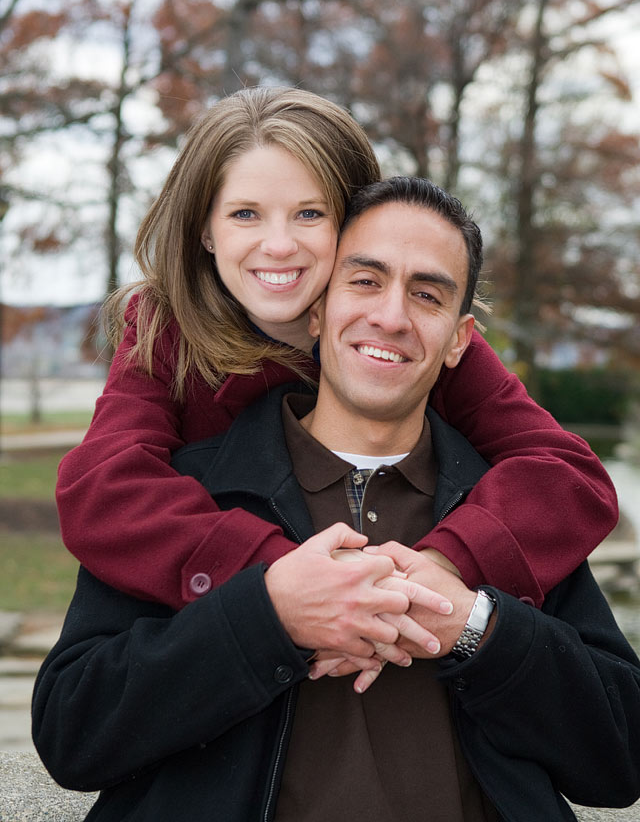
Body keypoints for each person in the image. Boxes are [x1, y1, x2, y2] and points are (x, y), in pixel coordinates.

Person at [32, 178, 640, 821]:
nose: (392, 316)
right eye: (366, 281)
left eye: (427, 295)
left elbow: (621, 757)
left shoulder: (509, 503)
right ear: (316, 311)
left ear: (461, 339)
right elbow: (74, 734)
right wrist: (268, 617)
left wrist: (471, 628)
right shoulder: (191, 497)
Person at [56, 86, 616, 622]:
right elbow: (103, 489)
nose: (278, 245)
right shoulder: (167, 328)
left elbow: (568, 474)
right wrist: (281, 582)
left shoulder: (407, 338)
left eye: (309, 214)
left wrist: (445, 565)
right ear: (205, 229)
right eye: (245, 214)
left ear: (351, 222)